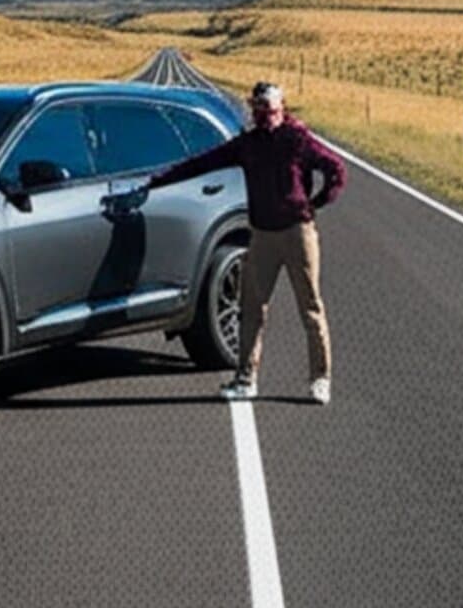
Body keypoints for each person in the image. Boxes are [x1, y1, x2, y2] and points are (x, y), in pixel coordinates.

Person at [146, 80, 345, 404]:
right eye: (258, 110)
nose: (264, 116)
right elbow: (202, 163)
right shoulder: (248, 145)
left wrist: (317, 202)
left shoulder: (298, 139)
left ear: (282, 109)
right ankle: (246, 378)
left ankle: (320, 378)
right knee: (251, 308)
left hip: (297, 232)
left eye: (269, 110)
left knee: (310, 306)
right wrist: (158, 182)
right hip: (262, 234)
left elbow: (336, 169)